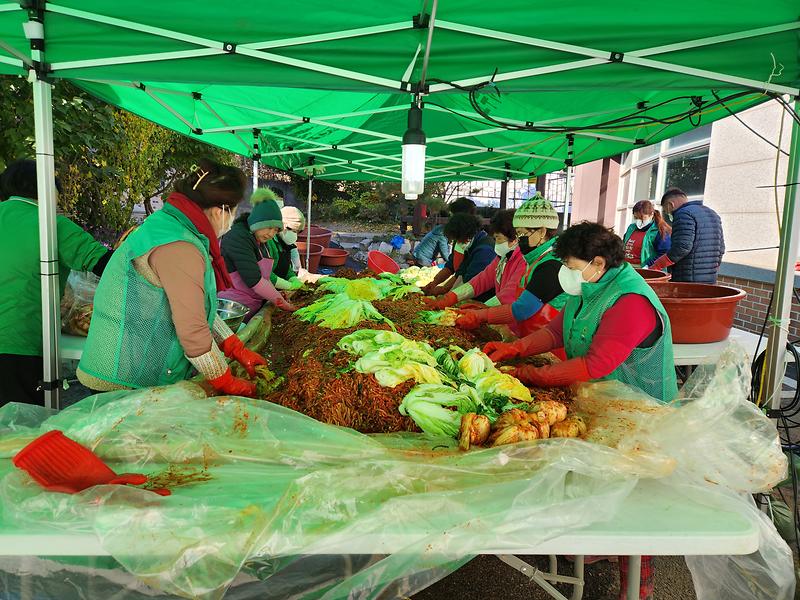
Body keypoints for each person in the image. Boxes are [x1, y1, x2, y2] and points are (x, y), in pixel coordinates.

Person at [78, 159, 264, 397]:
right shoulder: (179, 244)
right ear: (221, 211)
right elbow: (193, 329)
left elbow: (195, 307)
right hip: (121, 376)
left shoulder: (171, 225)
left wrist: (234, 347)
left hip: (133, 358)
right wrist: (225, 380)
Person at [484, 221, 678, 403]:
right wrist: (514, 349)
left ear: (599, 263)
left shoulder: (631, 301)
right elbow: (555, 333)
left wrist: (527, 374)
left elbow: (594, 365)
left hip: (641, 409)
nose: (566, 273)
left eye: (571, 267)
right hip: (599, 398)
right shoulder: (588, 284)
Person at [0, 159, 114, 406]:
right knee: (20, 431)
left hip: (14, 342)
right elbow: (109, 265)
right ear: (46, 189)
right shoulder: (51, 224)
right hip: (20, 345)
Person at [453, 196, 567, 339]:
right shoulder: (534, 258)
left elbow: (523, 308)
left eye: (523, 233)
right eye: (518, 233)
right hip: (530, 338)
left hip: (550, 345)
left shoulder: (552, 265)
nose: (519, 240)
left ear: (542, 232)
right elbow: (484, 278)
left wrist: (482, 315)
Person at [424, 209, 525, 310]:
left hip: (515, 317)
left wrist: (484, 309)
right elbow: (481, 280)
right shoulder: (503, 257)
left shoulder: (523, 260)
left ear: (515, 238)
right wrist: (451, 297)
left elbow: (510, 293)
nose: (496, 243)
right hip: (502, 313)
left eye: (498, 238)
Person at [219, 192, 298, 317]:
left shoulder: (261, 240)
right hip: (232, 308)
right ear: (257, 222)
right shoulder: (238, 237)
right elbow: (255, 280)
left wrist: (275, 293)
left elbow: (264, 278)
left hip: (252, 306)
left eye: (276, 230)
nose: (272, 234)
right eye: (269, 227)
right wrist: (282, 303)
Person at [650, 188, 725, 283]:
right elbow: (721, 248)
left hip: (687, 279)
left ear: (670, 205)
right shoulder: (712, 214)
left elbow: (682, 248)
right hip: (710, 278)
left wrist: (657, 265)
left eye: (666, 210)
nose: (668, 214)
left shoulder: (683, 214)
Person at [422, 213, 496, 300]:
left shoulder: (484, 250)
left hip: (483, 298)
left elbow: (470, 281)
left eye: (457, 239)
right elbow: (460, 272)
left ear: (466, 235)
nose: (456, 242)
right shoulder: (472, 244)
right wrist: (435, 284)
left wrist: (446, 295)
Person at [419, 197, 476, 287]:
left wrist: (446, 291)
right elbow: (451, 266)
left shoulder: (480, 246)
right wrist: (434, 283)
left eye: (453, 216)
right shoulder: (459, 240)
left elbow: (467, 278)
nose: (451, 220)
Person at [622, 200, 672, 269]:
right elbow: (623, 245)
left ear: (651, 215)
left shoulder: (659, 231)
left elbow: (664, 253)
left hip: (646, 270)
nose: (639, 220)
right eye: (636, 218)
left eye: (642, 218)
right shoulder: (631, 228)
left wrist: (648, 266)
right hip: (628, 269)